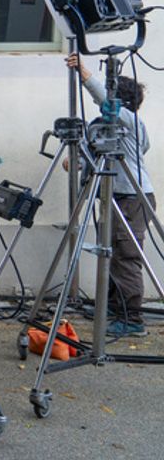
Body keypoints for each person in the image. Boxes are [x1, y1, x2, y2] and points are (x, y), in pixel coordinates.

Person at [67, 53, 154, 338]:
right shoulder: (109, 125)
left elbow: (106, 100)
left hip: (131, 196)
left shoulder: (130, 121)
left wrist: (84, 71)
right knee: (112, 252)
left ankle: (133, 319)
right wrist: (77, 161)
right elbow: (94, 153)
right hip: (113, 195)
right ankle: (113, 307)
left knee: (126, 255)